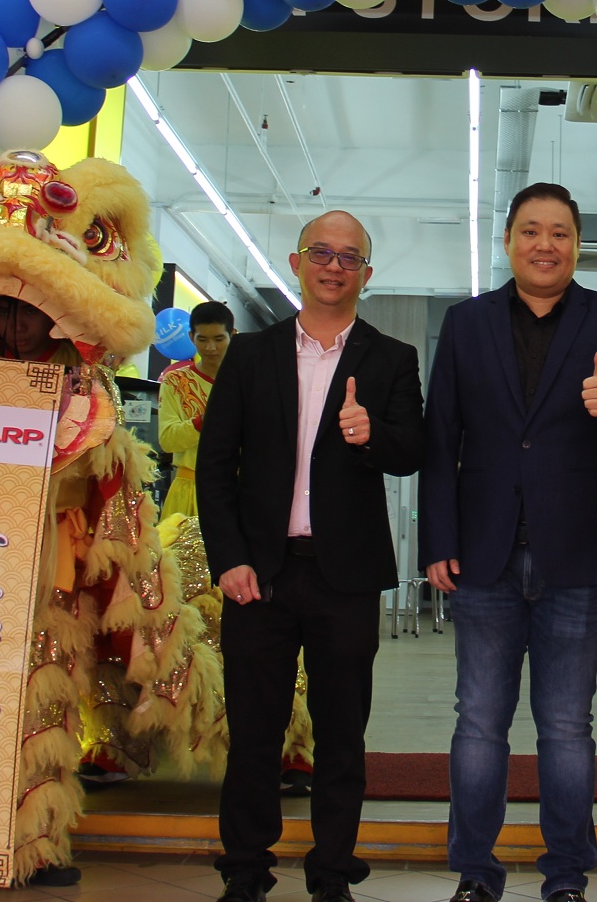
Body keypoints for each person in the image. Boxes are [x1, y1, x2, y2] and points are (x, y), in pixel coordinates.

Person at [421, 182, 597, 902]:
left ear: (578, 244)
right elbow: (442, 437)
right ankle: (475, 871)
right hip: (483, 552)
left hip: (577, 554)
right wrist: (437, 537)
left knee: (566, 726)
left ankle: (566, 875)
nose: (545, 244)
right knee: (479, 721)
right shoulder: (466, 323)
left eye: (560, 232)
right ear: (508, 241)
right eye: (531, 230)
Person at [197, 211, 426, 902]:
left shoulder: (391, 359)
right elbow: (215, 466)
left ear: (366, 274)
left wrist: (371, 432)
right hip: (257, 573)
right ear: (296, 262)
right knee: (255, 732)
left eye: (349, 256)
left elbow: (413, 451)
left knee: (342, 736)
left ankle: (332, 870)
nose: (334, 265)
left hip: (345, 575)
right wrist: (229, 557)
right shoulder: (250, 353)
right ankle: (245, 868)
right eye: (321, 253)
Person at [158, 300, 235, 518]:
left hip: (238, 493)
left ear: (233, 335)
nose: (211, 347)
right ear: (191, 337)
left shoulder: (249, 381)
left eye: (219, 339)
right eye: (203, 339)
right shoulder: (175, 381)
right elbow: (167, 439)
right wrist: (205, 420)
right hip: (189, 490)